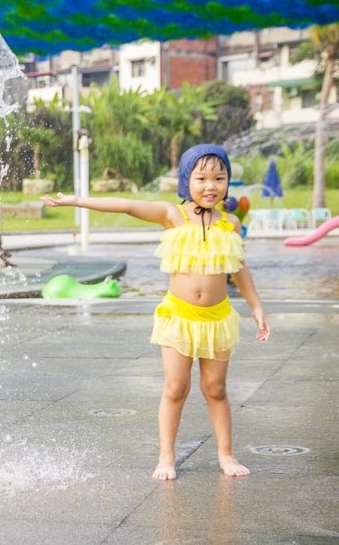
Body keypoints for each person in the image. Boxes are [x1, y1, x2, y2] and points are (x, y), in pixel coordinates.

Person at [41, 144, 271, 481]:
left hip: (217, 318)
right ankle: (166, 456)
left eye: (219, 178)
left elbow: (239, 268)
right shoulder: (172, 215)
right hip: (178, 316)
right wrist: (77, 200)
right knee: (176, 387)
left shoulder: (231, 224)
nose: (211, 186)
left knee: (216, 389)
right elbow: (127, 205)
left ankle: (226, 453)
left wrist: (257, 306)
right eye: (202, 178)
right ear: (186, 180)